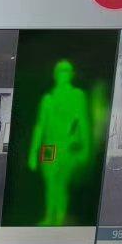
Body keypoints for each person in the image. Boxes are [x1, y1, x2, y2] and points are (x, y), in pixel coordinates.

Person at [28, 59, 91, 227]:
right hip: (49, 146)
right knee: (50, 182)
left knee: (62, 183)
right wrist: (33, 153)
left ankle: (60, 218)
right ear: (55, 75)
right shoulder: (48, 99)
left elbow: (83, 122)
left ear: (71, 74)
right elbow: (40, 126)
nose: (63, 74)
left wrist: (85, 149)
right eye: (60, 71)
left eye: (66, 71)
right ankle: (50, 216)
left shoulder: (77, 95)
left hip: (67, 145)